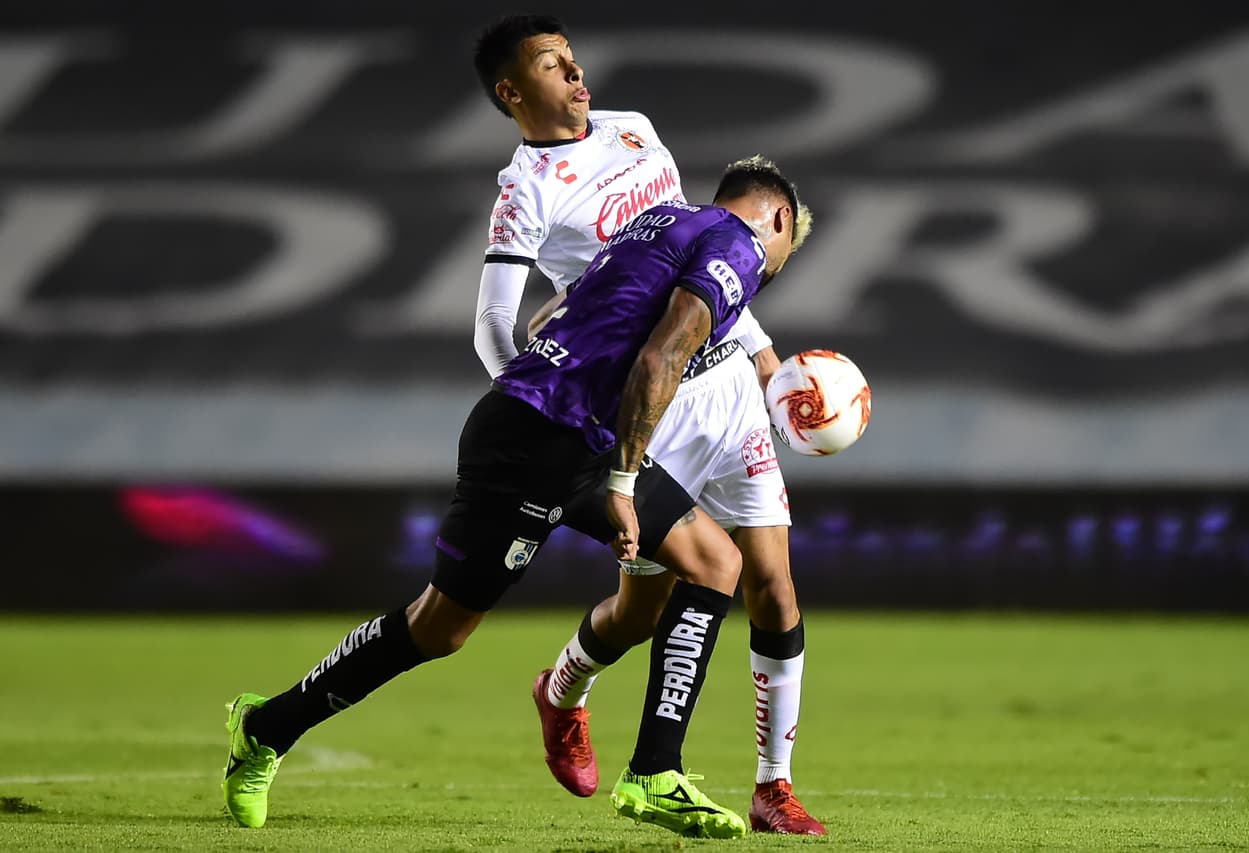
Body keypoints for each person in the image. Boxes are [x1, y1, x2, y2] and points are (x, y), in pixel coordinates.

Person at [221, 157, 807, 841]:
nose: (771, 273)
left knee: (712, 561)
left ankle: (654, 770)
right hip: (535, 444)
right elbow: (661, 357)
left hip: (574, 436)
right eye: (783, 259)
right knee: (438, 628)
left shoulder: (659, 220)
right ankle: (265, 726)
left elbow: (554, 313)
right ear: (779, 221)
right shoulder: (739, 243)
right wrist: (624, 481)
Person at [470, 14, 825, 834]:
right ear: (512, 90)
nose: (579, 74)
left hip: (725, 384)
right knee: (641, 609)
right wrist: (542, 410)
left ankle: (773, 785)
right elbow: (496, 325)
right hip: (647, 403)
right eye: (555, 65)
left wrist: (765, 358)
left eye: (573, 59)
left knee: (770, 580)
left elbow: (705, 260)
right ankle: (561, 687)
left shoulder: (635, 132)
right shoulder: (526, 190)